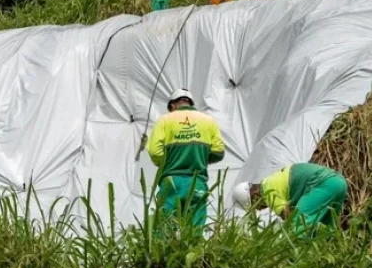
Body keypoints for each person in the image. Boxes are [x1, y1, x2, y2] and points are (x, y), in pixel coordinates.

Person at [147, 88, 225, 230]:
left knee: (165, 227)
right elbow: (218, 152)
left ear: (172, 106)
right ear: (190, 103)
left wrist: (169, 161)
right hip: (197, 181)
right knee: (195, 228)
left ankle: (165, 252)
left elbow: (154, 152)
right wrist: (199, 157)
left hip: (171, 181)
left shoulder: (164, 120)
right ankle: (195, 252)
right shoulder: (209, 121)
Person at [232, 163, 348, 235]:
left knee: (296, 230)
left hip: (323, 184)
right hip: (338, 182)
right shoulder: (271, 181)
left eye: (256, 206)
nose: (261, 209)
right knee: (327, 232)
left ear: (255, 195)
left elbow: (289, 216)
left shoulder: (267, 192)